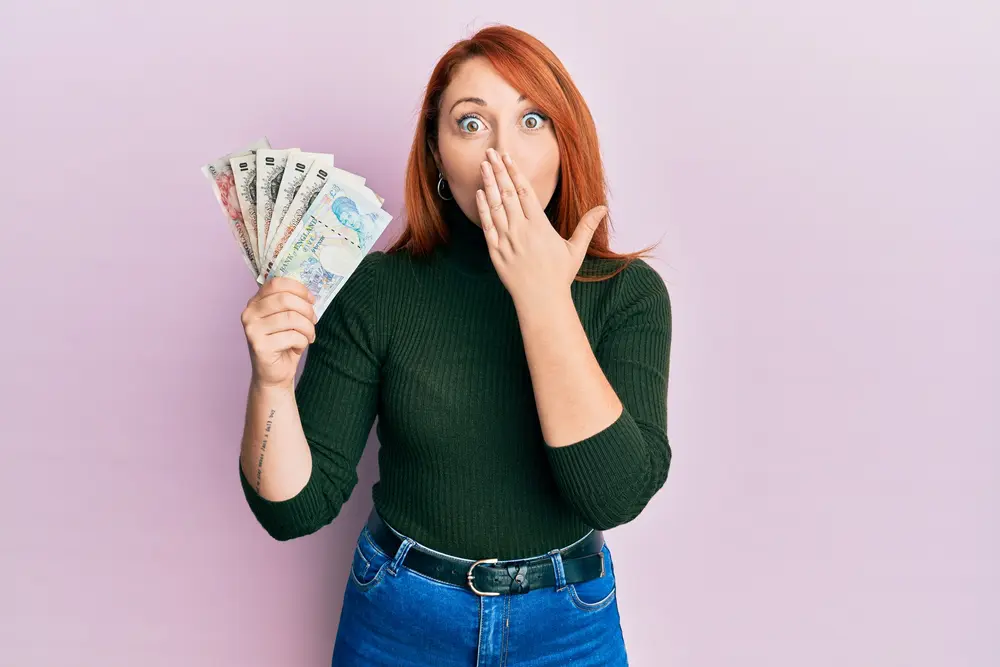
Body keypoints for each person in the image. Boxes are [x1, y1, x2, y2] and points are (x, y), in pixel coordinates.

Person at [236, 24, 672, 666]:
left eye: (532, 120)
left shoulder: (627, 294)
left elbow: (613, 496)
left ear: (565, 141)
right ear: (437, 156)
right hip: (400, 616)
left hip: (566, 624)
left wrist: (543, 296)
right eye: (472, 124)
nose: (504, 153)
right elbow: (295, 509)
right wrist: (271, 385)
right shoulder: (378, 291)